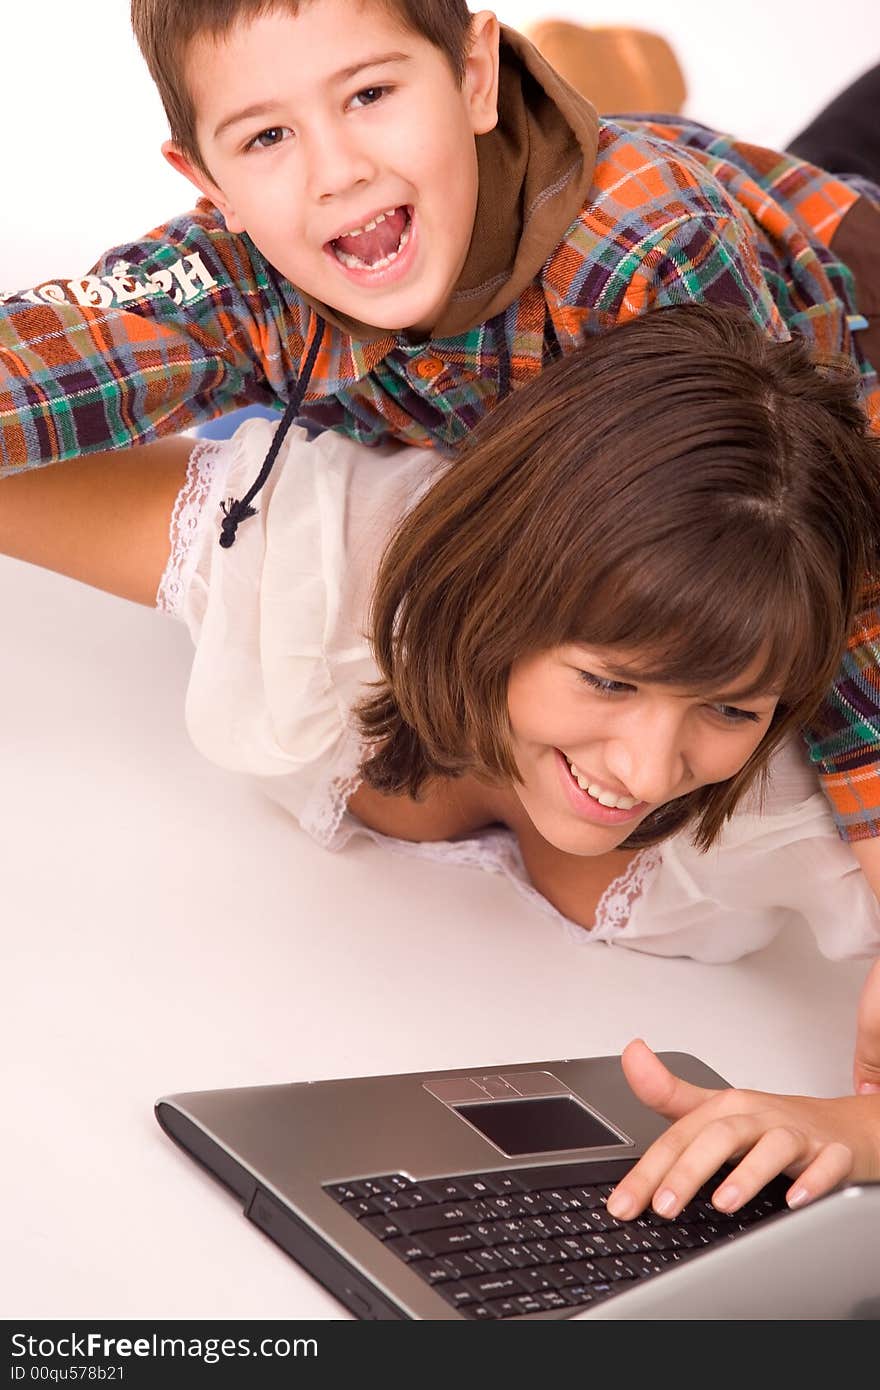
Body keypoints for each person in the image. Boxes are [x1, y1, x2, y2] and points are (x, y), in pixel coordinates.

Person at [3, 302, 880, 1219]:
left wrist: (852, 1133)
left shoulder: (813, 807)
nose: (652, 773)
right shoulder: (326, 555)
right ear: (498, 596)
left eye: (732, 707)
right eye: (610, 683)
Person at [2, 2, 880, 870]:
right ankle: (595, 86)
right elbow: (54, 354)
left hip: (835, 312)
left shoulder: (654, 257)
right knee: (251, 435)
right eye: (266, 137)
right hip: (513, 324)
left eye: (370, 94)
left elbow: (815, 550)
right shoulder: (258, 265)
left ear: (472, 76)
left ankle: (607, 94)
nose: (336, 171)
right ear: (208, 184)